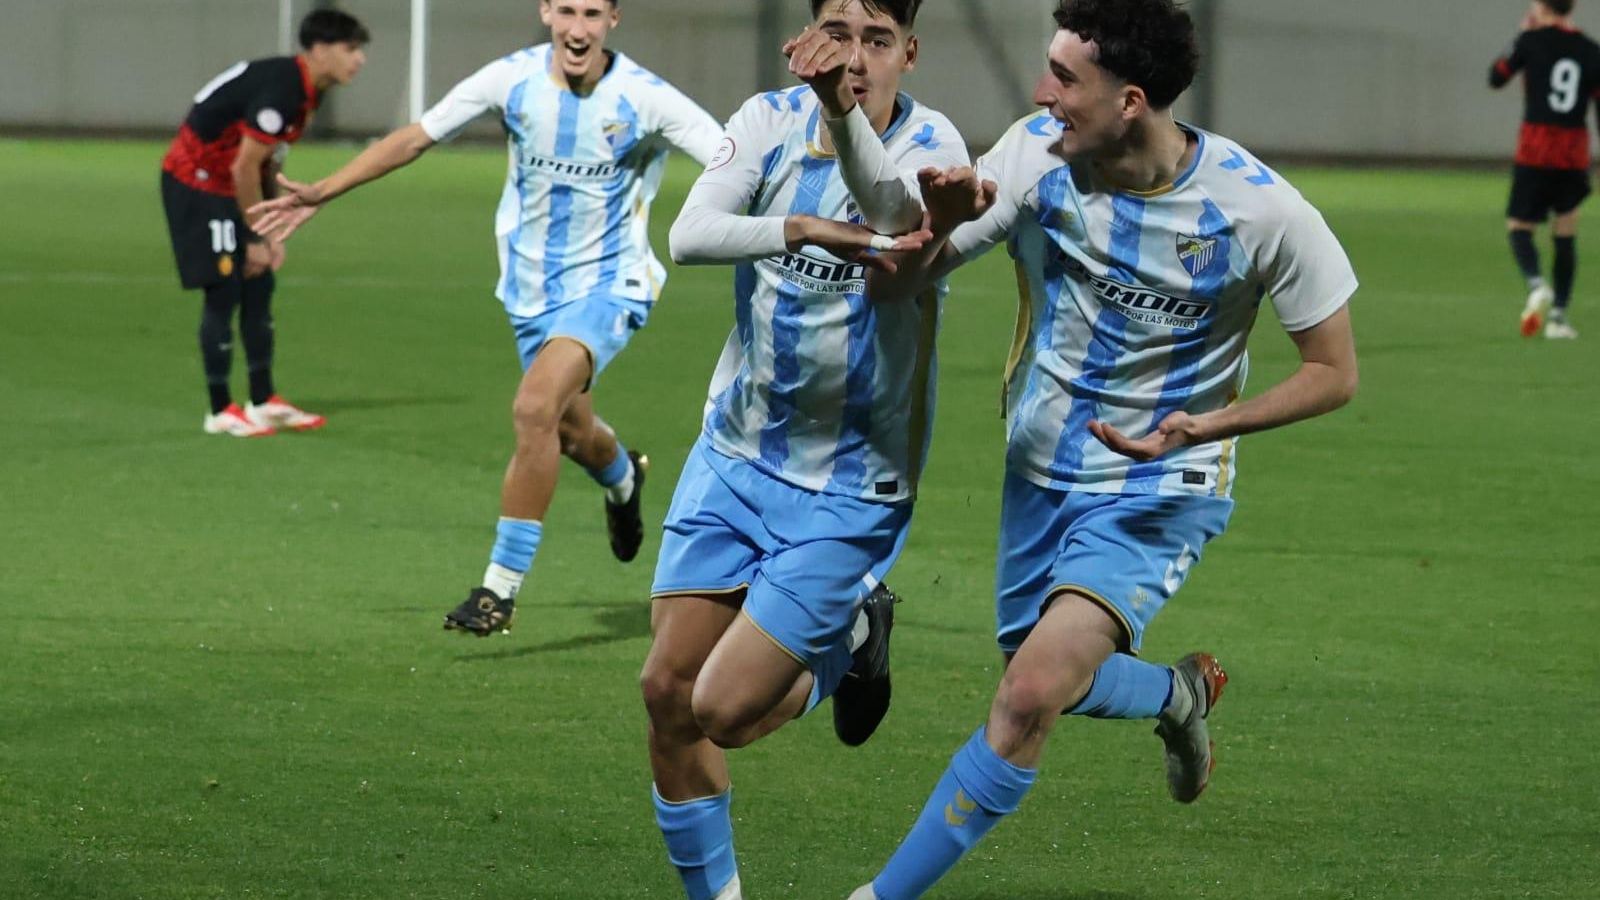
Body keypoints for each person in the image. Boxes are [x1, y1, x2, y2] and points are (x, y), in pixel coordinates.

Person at [847, 1, 1360, 896]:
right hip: (1040, 466)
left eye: (1064, 78)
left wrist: (1206, 426)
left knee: (1028, 694)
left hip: (1164, 483)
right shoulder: (1033, 156)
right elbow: (897, 290)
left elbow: (1333, 369)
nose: (1042, 93)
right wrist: (933, 226)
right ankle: (1177, 695)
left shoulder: (1260, 209)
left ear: (1129, 100)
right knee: (1041, 673)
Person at [249, 0, 723, 632]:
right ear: (545, 10)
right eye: (567, 11)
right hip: (529, 292)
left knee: (532, 409)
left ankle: (497, 592)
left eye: (592, 14)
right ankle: (622, 478)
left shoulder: (646, 98)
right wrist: (322, 191)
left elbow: (728, 158)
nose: (577, 29)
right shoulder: (512, 79)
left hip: (611, 286)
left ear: (614, 18)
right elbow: (417, 136)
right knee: (571, 433)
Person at [636, 2, 968, 897]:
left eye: (875, 40)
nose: (853, 58)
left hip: (851, 485)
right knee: (667, 693)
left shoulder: (939, 151)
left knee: (724, 712)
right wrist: (799, 227)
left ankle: (857, 626)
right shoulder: (765, 120)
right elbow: (690, 233)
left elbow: (899, 228)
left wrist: (838, 116)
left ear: (909, 52)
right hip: (736, 454)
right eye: (836, 32)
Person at [160, 9, 369, 437]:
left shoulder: (310, 90)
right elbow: (244, 167)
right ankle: (220, 409)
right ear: (320, 49)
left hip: (231, 183)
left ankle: (262, 399)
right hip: (196, 181)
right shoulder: (283, 90)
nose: (359, 59)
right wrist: (256, 234)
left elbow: (268, 160)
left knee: (260, 285)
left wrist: (271, 232)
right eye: (351, 49)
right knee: (224, 289)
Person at [1491, 0, 1600, 340]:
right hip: (1572, 152)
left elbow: (1497, 76)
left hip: (1535, 148)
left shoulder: (1530, 41)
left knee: (1519, 227)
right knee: (1565, 232)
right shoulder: (1591, 50)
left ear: (1540, 5)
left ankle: (1537, 284)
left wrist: (1522, 33)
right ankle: (1558, 318)